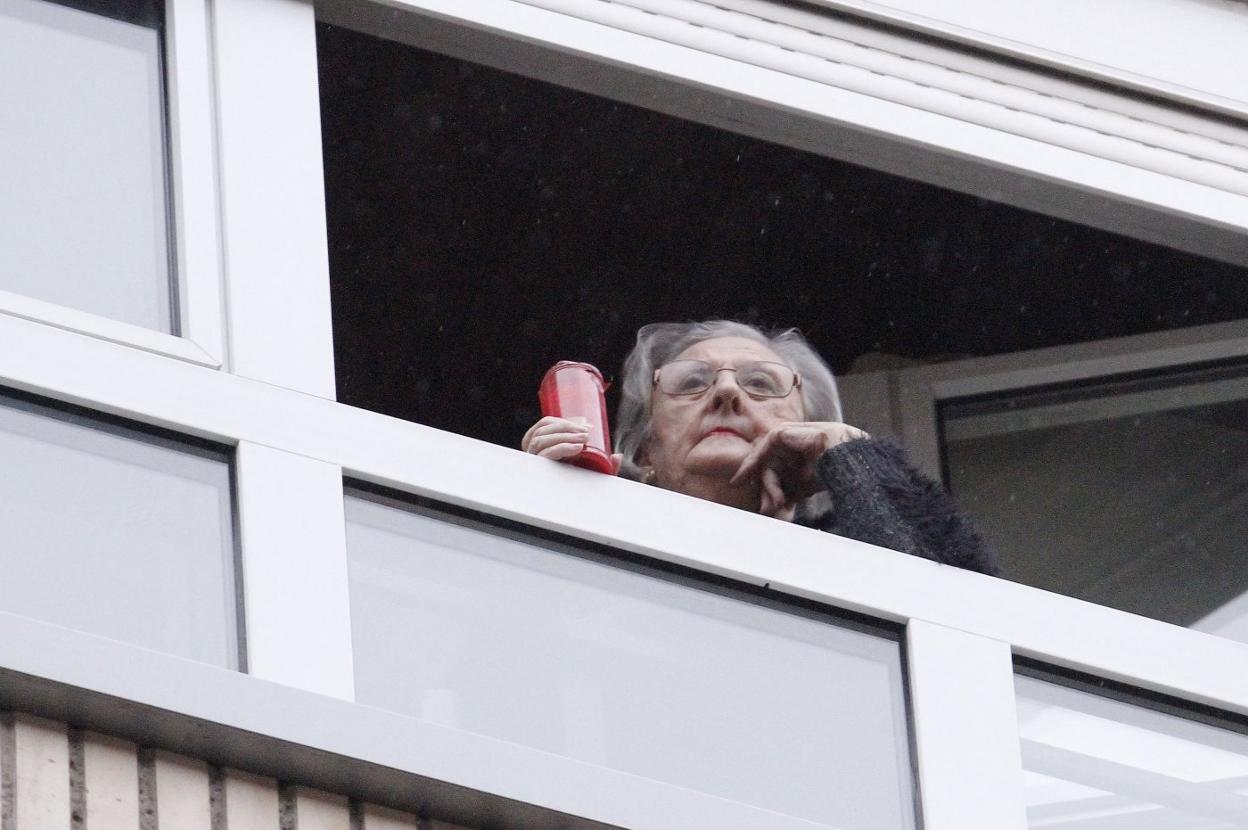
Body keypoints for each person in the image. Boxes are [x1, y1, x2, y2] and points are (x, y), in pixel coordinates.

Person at [522, 320, 999, 575]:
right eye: (692, 382)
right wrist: (537, 513)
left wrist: (851, 455)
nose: (727, 393)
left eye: (761, 383)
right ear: (646, 451)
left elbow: (952, 606)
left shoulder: (847, 557)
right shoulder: (610, 555)